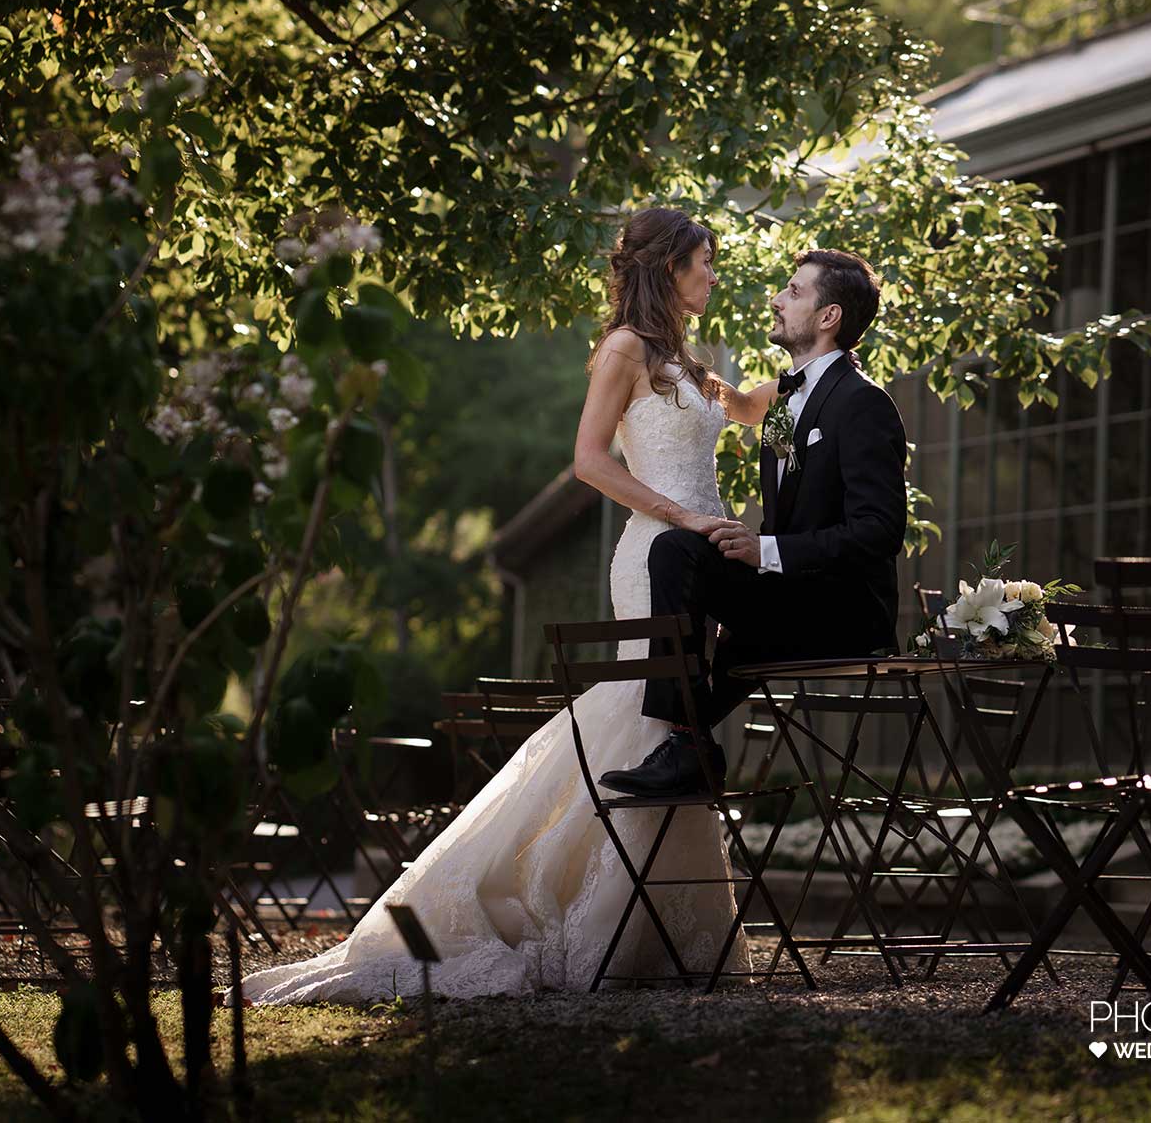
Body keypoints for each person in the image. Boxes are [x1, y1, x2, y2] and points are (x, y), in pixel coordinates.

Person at [233, 207, 776, 1003]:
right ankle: (587, 925)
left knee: (674, 715)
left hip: (703, 559)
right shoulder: (624, 350)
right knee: (652, 710)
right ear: (668, 267)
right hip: (656, 554)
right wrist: (684, 516)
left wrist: (813, 359)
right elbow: (589, 461)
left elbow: (752, 410)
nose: (714, 276)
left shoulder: (687, 364)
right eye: (705, 262)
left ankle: (659, 936)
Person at [599, 248, 908, 798]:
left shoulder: (863, 403)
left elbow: (879, 531)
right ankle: (689, 744)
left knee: (685, 558)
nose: (776, 299)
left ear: (828, 316)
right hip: (785, 599)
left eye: (793, 290)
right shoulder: (788, 404)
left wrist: (763, 550)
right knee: (675, 549)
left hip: (841, 614)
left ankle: (684, 741)